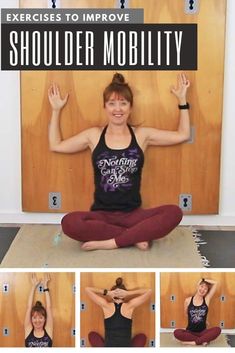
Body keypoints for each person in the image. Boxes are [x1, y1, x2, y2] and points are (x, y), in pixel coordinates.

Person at [48, 72, 190, 251]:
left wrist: (182, 100)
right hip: (101, 215)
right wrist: (55, 110)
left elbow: (183, 135)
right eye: (112, 103)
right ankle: (136, 235)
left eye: (123, 103)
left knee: (174, 213)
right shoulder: (93, 135)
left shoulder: (141, 135)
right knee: (69, 222)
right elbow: (56, 145)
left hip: (133, 214)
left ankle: (111, 242)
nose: (118, 109)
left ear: (130, 107)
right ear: (105, 107)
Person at [85, 277, 152, 347]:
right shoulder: (130, 306)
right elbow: (149, 291)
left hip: (109, 347)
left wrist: (107, 292)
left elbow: (87, 290)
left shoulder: (106, 306)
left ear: (112, 296)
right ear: (124, 296)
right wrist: (129, 293)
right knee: (142, 337)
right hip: (126, 348)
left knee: (92, 335)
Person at [173, 278, 221, 346]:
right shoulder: (187, 300)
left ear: (207, 292)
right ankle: (203, 340)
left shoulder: (207, 300)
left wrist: (204, 279)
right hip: (190, 332)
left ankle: (194, 342)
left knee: (218, 329)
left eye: (205, 289)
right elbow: (186, 314)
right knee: (176, 332)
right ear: (198, 286)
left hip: (203, 331)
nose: (203, 290)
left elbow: (215, 283)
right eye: (201, 286)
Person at [24, 273, 53, 348]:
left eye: (40, 317)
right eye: (35, 317)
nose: (37, 321)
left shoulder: (48, 330)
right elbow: (28, 307)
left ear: (44, 319)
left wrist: (45, 286)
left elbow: (49, 307)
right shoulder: (28, 330)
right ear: (31, 319)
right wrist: (33, 286)